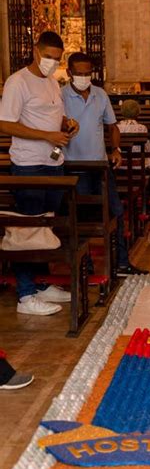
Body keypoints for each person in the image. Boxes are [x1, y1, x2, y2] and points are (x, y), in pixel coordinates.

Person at [0, 30, 79, 316]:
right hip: (29, 164)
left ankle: (42, 283)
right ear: (36, 51)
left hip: (53, 163)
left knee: (45, 227)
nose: (51, 62)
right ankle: (25, 294)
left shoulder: (51, 83)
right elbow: (6, 124)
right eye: (48, 57)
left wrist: (65, 123)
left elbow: (50, 115)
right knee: (28, 230)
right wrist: (47, 135)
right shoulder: (17, 82)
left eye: (57, 59)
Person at [62, 52, 148, 276]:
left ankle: (121, 261)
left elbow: (113, 126)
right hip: (74, 167)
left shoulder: (100, 95)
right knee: (80, 216)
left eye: (87, 73)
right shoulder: (59, 96)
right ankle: (84, 263)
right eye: (79, 73)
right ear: (70, 73)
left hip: (100, 166)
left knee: (117, 212)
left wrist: (116, 149)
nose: (84, 77)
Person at [117, 99, 150, 169]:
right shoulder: (142, 128)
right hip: (139, 164)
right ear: (137, 112)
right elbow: (147, 148)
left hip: (120, 163)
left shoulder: (116, 128)